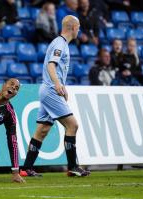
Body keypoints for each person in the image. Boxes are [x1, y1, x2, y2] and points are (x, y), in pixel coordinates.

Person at [20, 15, 90, 177]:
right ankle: (73, 166)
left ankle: (25, 168)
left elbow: (54, 68)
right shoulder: (60, 44)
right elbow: (52, 65)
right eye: (78, 27)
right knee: (73, 125)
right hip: (51, 89)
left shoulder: (60, 43)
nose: (79, 30)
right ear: (73, 27)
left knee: (42, 130)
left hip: (47, 89)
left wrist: (61, 85)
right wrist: (58, 84)